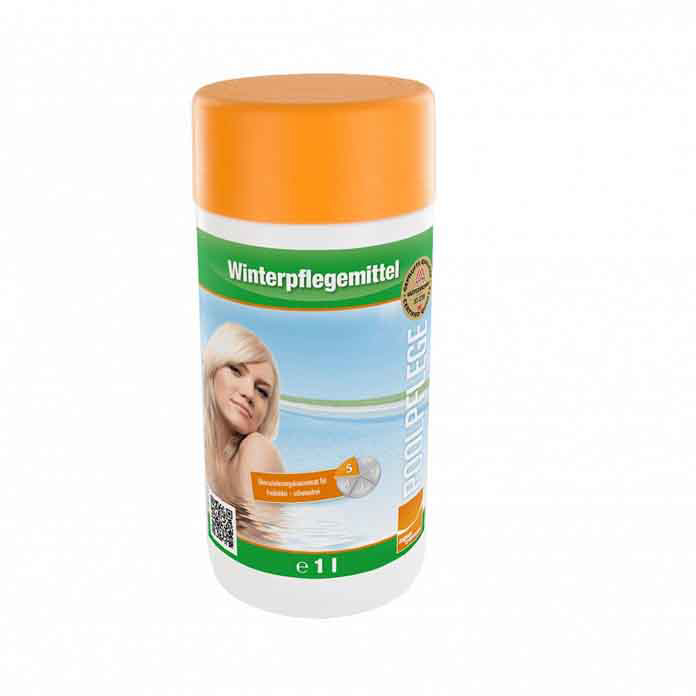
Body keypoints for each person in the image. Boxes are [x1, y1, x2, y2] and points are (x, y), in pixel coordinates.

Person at [203, 322, 283, 508]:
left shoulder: (255, 449)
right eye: (236, 371)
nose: (248, 393)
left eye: (262, 391)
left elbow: (268, 528)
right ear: (212, 368)